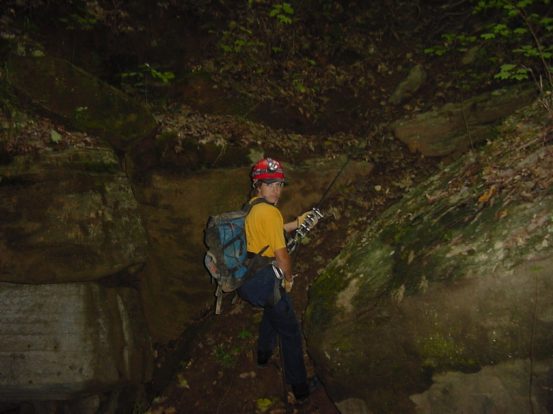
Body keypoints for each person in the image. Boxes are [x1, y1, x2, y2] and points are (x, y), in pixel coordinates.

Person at [238, 157, 316, 403]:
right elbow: (282, 256)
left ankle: (262, 355)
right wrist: (288, 279)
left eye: (279, 184)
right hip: (264, 281)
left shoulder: (252, 206)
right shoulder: (270, 212)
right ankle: (301, 388)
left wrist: (298, 223)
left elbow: (269, 232)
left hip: (247, 279)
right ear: (258, 185)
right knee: (291, 332)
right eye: (269, 183)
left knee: (272, 311)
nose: (276, 189)